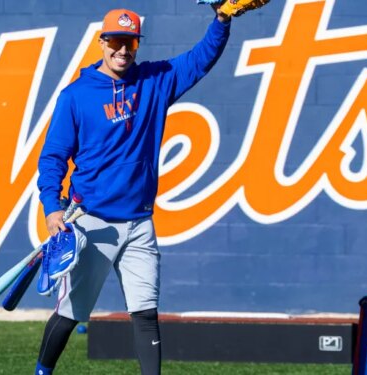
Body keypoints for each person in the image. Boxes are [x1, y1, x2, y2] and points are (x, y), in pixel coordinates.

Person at [34, 6, 231, 375]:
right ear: (102, 42)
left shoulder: (154, 81)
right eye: (116, 41)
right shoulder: (75, 96)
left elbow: (201, 59)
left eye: (131, 42)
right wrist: (51, 208)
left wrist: (222, 21)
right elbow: (53, 158)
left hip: (140, 223)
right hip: (92, 222)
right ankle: (42, 371)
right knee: (70, 313)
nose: (123, 50)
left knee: (145, 312)